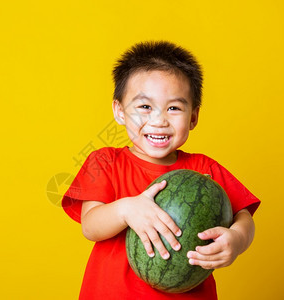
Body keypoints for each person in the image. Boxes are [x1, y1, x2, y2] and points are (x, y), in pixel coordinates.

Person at [62, 41, 260, 299]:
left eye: (174, 108)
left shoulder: (204, 169)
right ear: (120, 111)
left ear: (193, 117)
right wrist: (126, 209)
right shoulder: (106, 162)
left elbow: (244, 217)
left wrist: (237, 240)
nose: (159, 120)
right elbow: (90, 225)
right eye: (145, 107)